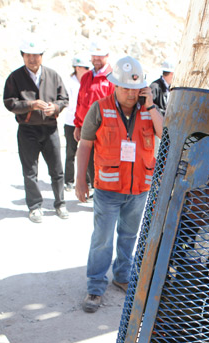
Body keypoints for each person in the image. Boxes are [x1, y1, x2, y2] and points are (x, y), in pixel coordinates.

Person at [75, 56, 163, 313]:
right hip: (108, 190)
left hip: (139, 190)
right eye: (124, 88)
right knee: (102, 239)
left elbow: (164, 133)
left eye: (135, 88)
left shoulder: (148, 110)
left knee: (129, 236)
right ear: (114, 85)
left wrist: (152, 106)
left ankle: (122, 276)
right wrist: (80, 179)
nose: (129, 93)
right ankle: (95, 287)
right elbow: (85, 145)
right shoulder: (99, 108)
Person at [3, 37, 69, 223]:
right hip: (27, 130)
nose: (32, 59)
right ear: (23, 56)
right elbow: (10, 103)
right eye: (28, 55)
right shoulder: (15, 77)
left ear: (42, 56)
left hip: (50, 129)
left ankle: (60, 203)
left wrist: (54, 108)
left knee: (57, 169)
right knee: (30, 170)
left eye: (36, 55)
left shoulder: (53, 75)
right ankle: (34, 206)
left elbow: (63, 98)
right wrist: (30, 105)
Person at [73, 40, 114, 142]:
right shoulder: (86, 77)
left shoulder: (112, 78)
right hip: (86, 129)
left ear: (107, 55)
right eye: (94, 55)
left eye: (99, 55)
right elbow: (80, 102)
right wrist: (78, 125)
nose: (96, 58)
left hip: (104, 131)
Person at [62, 55, 91, 192]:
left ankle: (88, 180)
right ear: (78, 68)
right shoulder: (69, 82)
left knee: (87, 152)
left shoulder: (88, 81)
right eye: (85, 68)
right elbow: (67, 102)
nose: (88, 70)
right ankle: (68, 181)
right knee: (71, 152)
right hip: (71, 122)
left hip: (86, 122)